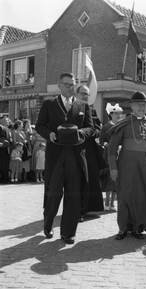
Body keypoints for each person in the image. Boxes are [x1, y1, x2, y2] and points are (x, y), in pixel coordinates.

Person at [35, 72, 95, 244]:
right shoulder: (49, 103)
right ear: (59, 85)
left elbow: (91, 128)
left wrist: (82, 133)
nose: (70, 87)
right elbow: (40, 125)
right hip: (56, 156)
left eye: (72, 84)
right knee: (53, 193)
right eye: (67, 84)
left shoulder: (83, 105)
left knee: (73, 194)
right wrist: (50, 134)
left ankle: (68, 232)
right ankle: (48, 225)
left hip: (76, 157)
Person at [108, 91, 146, 240]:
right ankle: (123, 229)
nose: (142, 107)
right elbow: (112, 147)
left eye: (144, 105)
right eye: (138, 104)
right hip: (126, 167)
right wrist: (113, 168)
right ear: (132, 106)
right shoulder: (124, 123)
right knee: (125, 196)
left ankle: (137, 227)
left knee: (142, 197)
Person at [75, 85, 106, 221]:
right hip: (76, 148)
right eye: (83, 94)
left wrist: (94, 131)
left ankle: (89, 207)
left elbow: (98, 129)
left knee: (92, 178)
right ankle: (78, 210)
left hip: (90, 149)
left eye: (87, 94)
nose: (85, 96)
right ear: (76, 94)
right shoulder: (71, 109)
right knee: (78, 179)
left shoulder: (92, 110)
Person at [100, 102, 123, 211]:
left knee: (117, 178)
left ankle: (113, 203)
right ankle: (107, 201)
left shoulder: (122, 126)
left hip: (119, 154)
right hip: (108, 155)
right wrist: (106, 145)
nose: (118, 116)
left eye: (119, 114)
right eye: (115, 114)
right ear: (111, 115)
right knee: (109, 176)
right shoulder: (105, 127)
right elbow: (101, 140)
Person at [0, 115, 12, 184]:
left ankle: (4, 179)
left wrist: (10, 139)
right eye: (5, 120)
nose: (7, 122)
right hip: (0, 149)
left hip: (6, 149)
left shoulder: (7, 129)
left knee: (5, 165)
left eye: (7, 120)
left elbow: (8, 137)